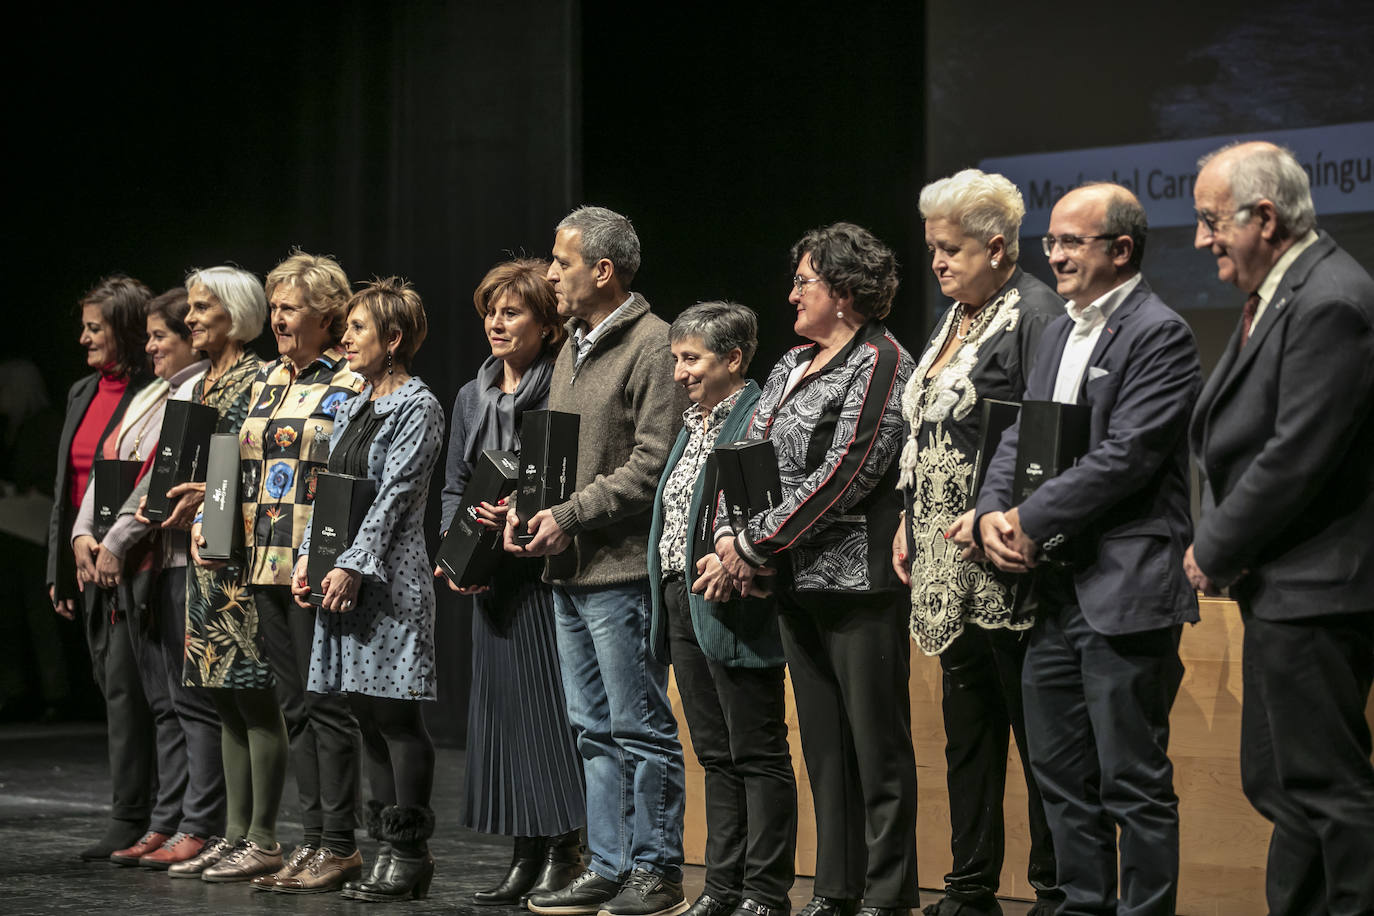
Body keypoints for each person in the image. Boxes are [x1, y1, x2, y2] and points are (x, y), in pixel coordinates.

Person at [973, 183, 1201, 916]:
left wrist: (1027, 520)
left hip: (1124, 591)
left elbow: (1127, 457)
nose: (1057, 255)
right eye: (1053, 242)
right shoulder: (1055, 332)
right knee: (1062, 779)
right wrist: (989, 516)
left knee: (1132, 785)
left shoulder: (1159, 333)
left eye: (1071, 242)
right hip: (1053, 594)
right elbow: (1017, 437)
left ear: (1121, 250)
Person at [1187, 141, 1374, 916]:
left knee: (1328, 793)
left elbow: (1295, 456)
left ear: (1263, 217)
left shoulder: (1330, 298)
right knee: (1283, 785)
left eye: (1209, 222)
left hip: (1317, 588)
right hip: (1285, 587)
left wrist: (1213, 546)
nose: (1200, 241)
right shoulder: (1287, 289)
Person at [710, 222, 918, 916]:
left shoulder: (882, 360)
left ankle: (887, 897)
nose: (792, 293)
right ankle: (836, 892)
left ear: (845, 290)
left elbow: (849, 471)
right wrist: (731, 539)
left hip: (857, 585)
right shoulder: (789, 362)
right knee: (826, 750)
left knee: (877, 750)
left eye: (805, 281)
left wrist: (753, 545)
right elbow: (748, 455)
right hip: (793, 580)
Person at [504, 205, 689, 916]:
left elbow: (653, 464)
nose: (551, 274)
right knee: (590, 728)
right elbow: (560, 460)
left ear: (602, 271)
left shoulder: (653, 343)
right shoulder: (573, 345)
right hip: (569, 572)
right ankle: (609, 864)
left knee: (640, 726)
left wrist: (570, 514)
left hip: (619, 574)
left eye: (562, 261)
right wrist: (530, 508)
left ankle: (657, 869)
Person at [892, 169, 1063, 916]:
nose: (937, 263)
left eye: (952, 250)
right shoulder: (955, 316)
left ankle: (1058, 889)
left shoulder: (1033, 314)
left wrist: (1011, 517)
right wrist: (908, 514)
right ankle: (970, 885)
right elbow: (929, 427)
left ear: (998, 248)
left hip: (1001, 554)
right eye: (933, 249)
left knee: (1036, 735)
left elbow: (1047, 433)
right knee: (969, 729)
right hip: (939, 554)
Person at [437, 259, 585, 906]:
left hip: (544, 574)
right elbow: (452, 486)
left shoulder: (563, 386)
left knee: (550, 716)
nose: (496, 323)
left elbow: (568, 477)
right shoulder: (472, 396)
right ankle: (523, 852)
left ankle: (564, 848)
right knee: (503, 718)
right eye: (490, 312)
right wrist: (455, 555)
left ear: (547, 323)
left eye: (512, 311)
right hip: (487, 580)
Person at [293, 277, 445, 902]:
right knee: (364, 715)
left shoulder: (420, 405)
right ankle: (386, 849)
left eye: (357, 328)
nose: (345, 337)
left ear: (394, 339)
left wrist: (353, 565)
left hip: (387, 579)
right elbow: (331, 491)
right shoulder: (356, 401)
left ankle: (409, 853)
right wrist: (310, 558)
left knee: (396, 716)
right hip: (342, 577)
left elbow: (395, 496)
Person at [648, 302, 796, 916]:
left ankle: (764, 892)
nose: (680, 372)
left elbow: (763, 511)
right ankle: (721, 886)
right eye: (676, 358)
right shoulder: (695, 423)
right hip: (683, 598)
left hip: (734, 598)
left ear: (733, 360)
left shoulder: (756, 418)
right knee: (714, 753)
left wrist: (744, 564)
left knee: (757, 752)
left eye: (693, 359)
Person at [71, 287, 223, 869]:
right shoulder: (154, 391)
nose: (151, 344)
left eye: (163, 335)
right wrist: (84, 533)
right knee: (163, 703)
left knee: (191, 702)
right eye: (153, 334)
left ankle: (198, 823)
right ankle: (166, 821)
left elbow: (159, 478)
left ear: (191, 340)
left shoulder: (197, 390)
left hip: (171, 558)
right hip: (138, 561)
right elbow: (109, 464)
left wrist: (113, 541)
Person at [231, 251, 366, 894]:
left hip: (316, 564)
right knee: (293, 705)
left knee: (326, 703)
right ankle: (310, 842)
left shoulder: (349, 381)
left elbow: (354, 480)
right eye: (275, 307)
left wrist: (332, 559)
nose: (277, 319)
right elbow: (243, 463)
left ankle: (339, 843)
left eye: (289, 308)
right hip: (265, 559)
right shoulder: (266, 379)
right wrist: (219, 526)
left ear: (327, 315)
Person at [46, 274, 157, 860]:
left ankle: (135, 813)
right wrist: (60, 567)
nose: (85, 339)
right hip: (88, 557)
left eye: (96, 328)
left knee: (129, 688)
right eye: (84, 327)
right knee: (109, 681)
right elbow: (67, 488)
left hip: (139, 557)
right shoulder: (82, 391)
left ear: (127, 331)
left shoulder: (151, 392)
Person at [178, 266, 283, 882]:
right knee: (222, 696)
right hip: (201, 553)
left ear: (235, 314)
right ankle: (234, 832)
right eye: (189, 307)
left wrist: (212, 513)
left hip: (238, 555)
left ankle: (264, 836)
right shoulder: (203, 381)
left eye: (201, 307)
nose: (190, 317)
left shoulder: (255, 379)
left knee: (252, 691)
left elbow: (251, 467)